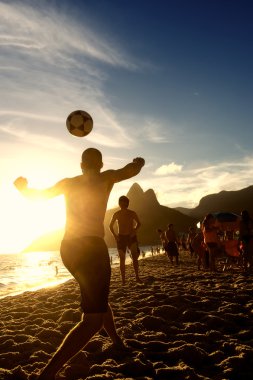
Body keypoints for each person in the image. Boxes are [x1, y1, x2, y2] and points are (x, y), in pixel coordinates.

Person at [14, 148, 145, 380]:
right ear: (101, 163)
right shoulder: (106, 177)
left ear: (81, 164)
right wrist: (139, 162)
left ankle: (116, 341)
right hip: (91, 248)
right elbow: (130, 170)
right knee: (93, 320)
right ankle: (48, 374)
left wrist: (22, 187)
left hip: (68, 248)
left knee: (99, 299)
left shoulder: (68, 182)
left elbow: (38, 196)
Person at [109, 195, 142, 285]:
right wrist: (115, 236)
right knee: (122, 259)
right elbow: (110, 226)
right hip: (121, 238)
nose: (123, 204)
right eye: (121, 202)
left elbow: (139, 223)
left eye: (125, 202)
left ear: (127, 203)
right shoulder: (116, 214)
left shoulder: (132, 213)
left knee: (134, 257)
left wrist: (134, 231)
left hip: (131, 237)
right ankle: (123, 280)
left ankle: (137, 277)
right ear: (119, 203)